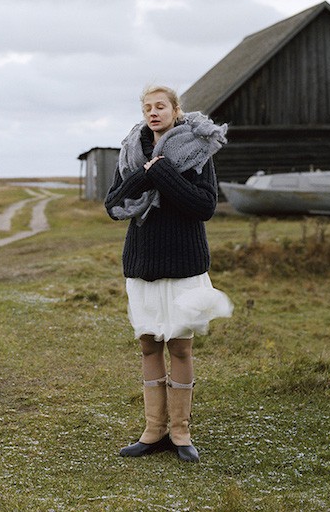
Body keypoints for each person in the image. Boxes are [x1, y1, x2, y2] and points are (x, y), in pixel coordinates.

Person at [105, 85, 233, 463]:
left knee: (179, 344)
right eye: (147, 107)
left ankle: (180, 431)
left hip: (184, 264)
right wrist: (145, 176)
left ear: (176, 111)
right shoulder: (130, 152)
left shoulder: (197, 149)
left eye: (160, 106)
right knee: (148, 343)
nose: (152, 112)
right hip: (142, 263)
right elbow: (114, 205)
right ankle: (153, 430)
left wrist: (162, 173)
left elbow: (204, 205)